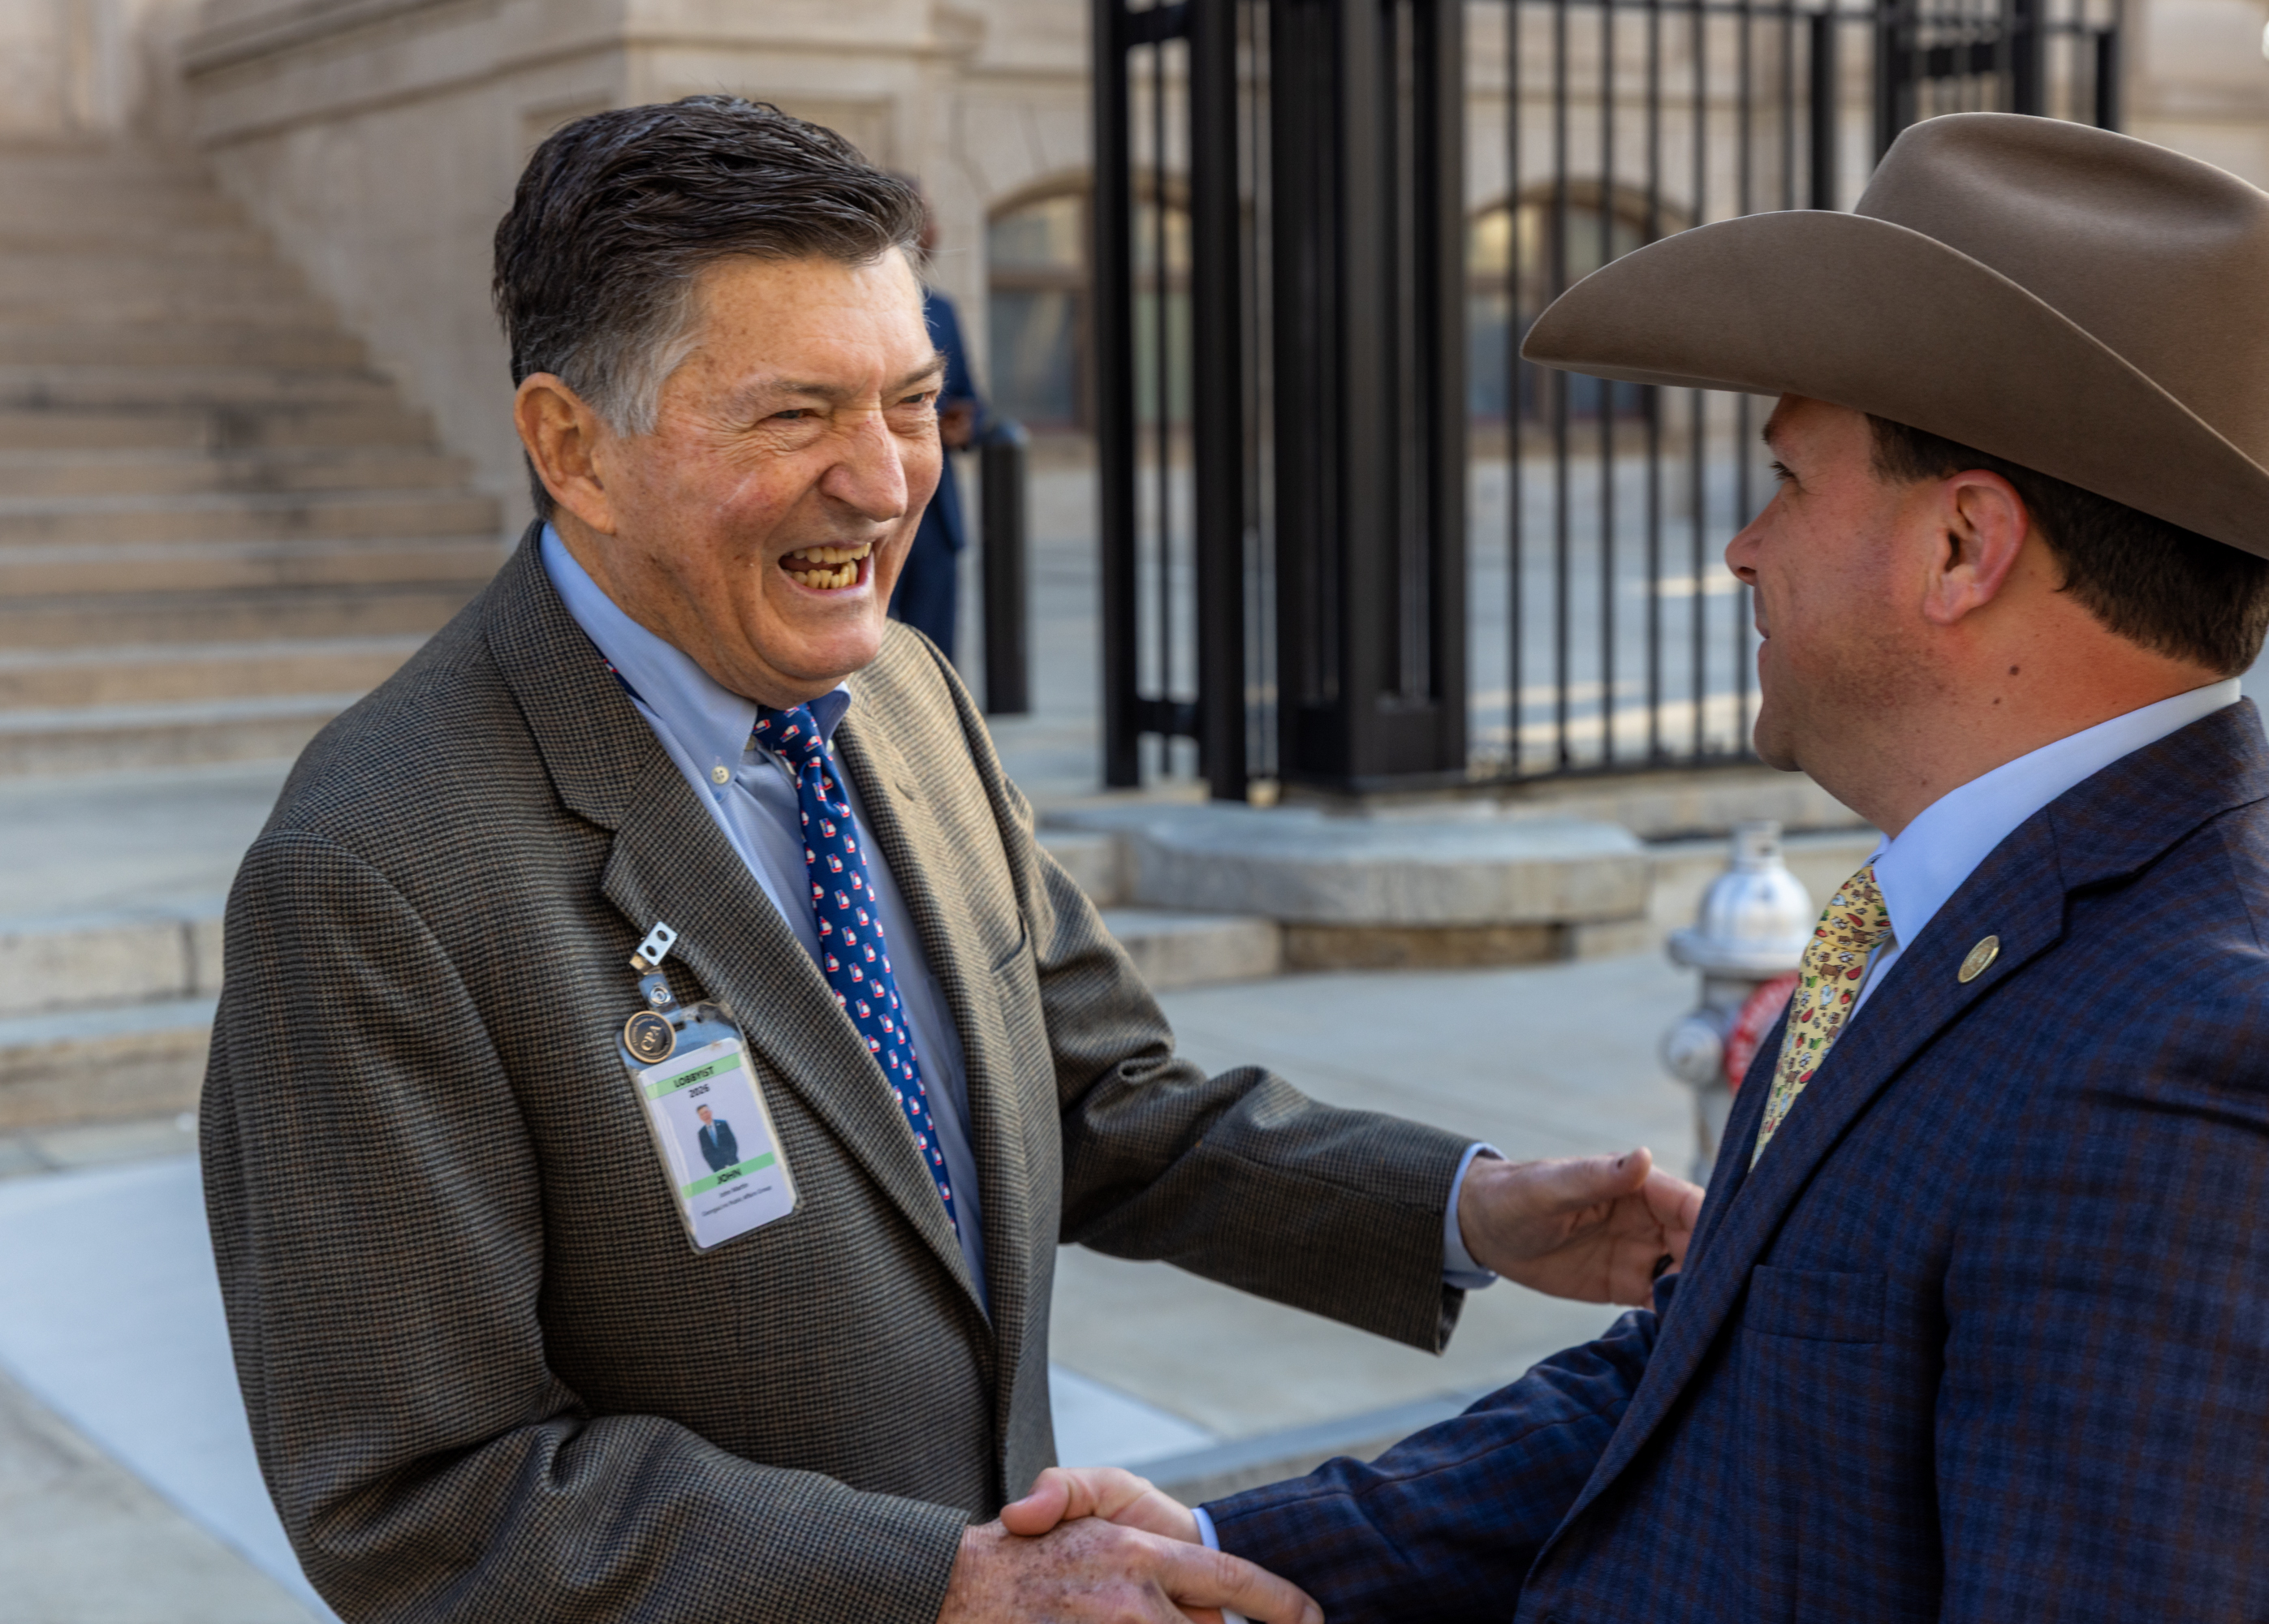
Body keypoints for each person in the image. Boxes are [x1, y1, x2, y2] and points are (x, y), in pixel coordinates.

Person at [196, 96, 1700, 1624]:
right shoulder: (371, 877)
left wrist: (1464, 1207)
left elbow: (1095, 1100)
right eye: (795, 415)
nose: (886, 479)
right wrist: (939, 1584)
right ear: (571, 447)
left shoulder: (902, 693)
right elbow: (418, 1497)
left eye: (910, 401)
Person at [1008, 114, 2269, 1618]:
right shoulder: (1960, 909)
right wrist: (1228, 1562)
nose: (1744, 549)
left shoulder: (2226, 1068)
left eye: (1790, 484)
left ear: (1963, 547)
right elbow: (1703, 1389)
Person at [888, 182, 978, 657]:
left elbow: (969, 400)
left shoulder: (943, 308)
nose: (936, 230)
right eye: (925, 218)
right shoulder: (852, 318)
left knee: (936, 656)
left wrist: (965, 426)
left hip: (937, 517)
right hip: (876, 511)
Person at [695, 1103, 740, 1172]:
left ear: (711, 1112)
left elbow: (733, 1142)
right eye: (702, 1114)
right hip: (718, 1169)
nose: (705, 1115)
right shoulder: (701, 1133)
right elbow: (706, 1153)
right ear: (700, 1117)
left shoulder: (723, 1124)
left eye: (706, 1112)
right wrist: (718, 1168)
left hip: (733, 1163)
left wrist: (730, 1161)